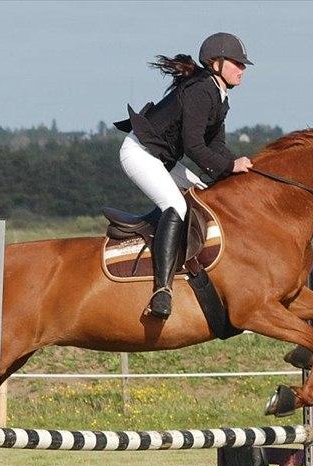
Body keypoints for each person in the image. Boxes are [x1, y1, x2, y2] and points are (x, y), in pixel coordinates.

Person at [114, 32, 254, 319]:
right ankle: (162, 290)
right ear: (216, 63)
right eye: (237, 64)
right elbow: (194, 146)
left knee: (203, 193)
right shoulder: (201, 90)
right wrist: (229, 167)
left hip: (162, 159)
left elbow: (216, 146)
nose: (242, 70)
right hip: (140, 154)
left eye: (243, 65)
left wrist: (237, 168)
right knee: (176, 206)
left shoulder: (218, 96)